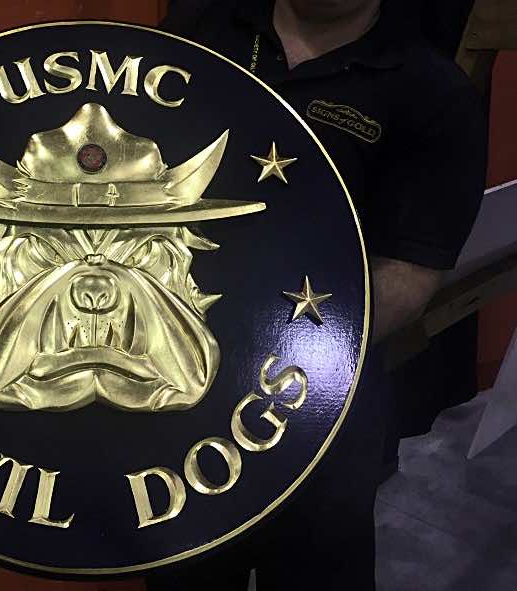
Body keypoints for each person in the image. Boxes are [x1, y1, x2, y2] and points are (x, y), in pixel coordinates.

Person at [149, 1, 488, 589]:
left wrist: (270, 354)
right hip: (173, 384)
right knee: (184, 570)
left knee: (316, 567)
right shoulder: (197, 30)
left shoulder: (432, 91)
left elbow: (409, 273)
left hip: (322, 405)